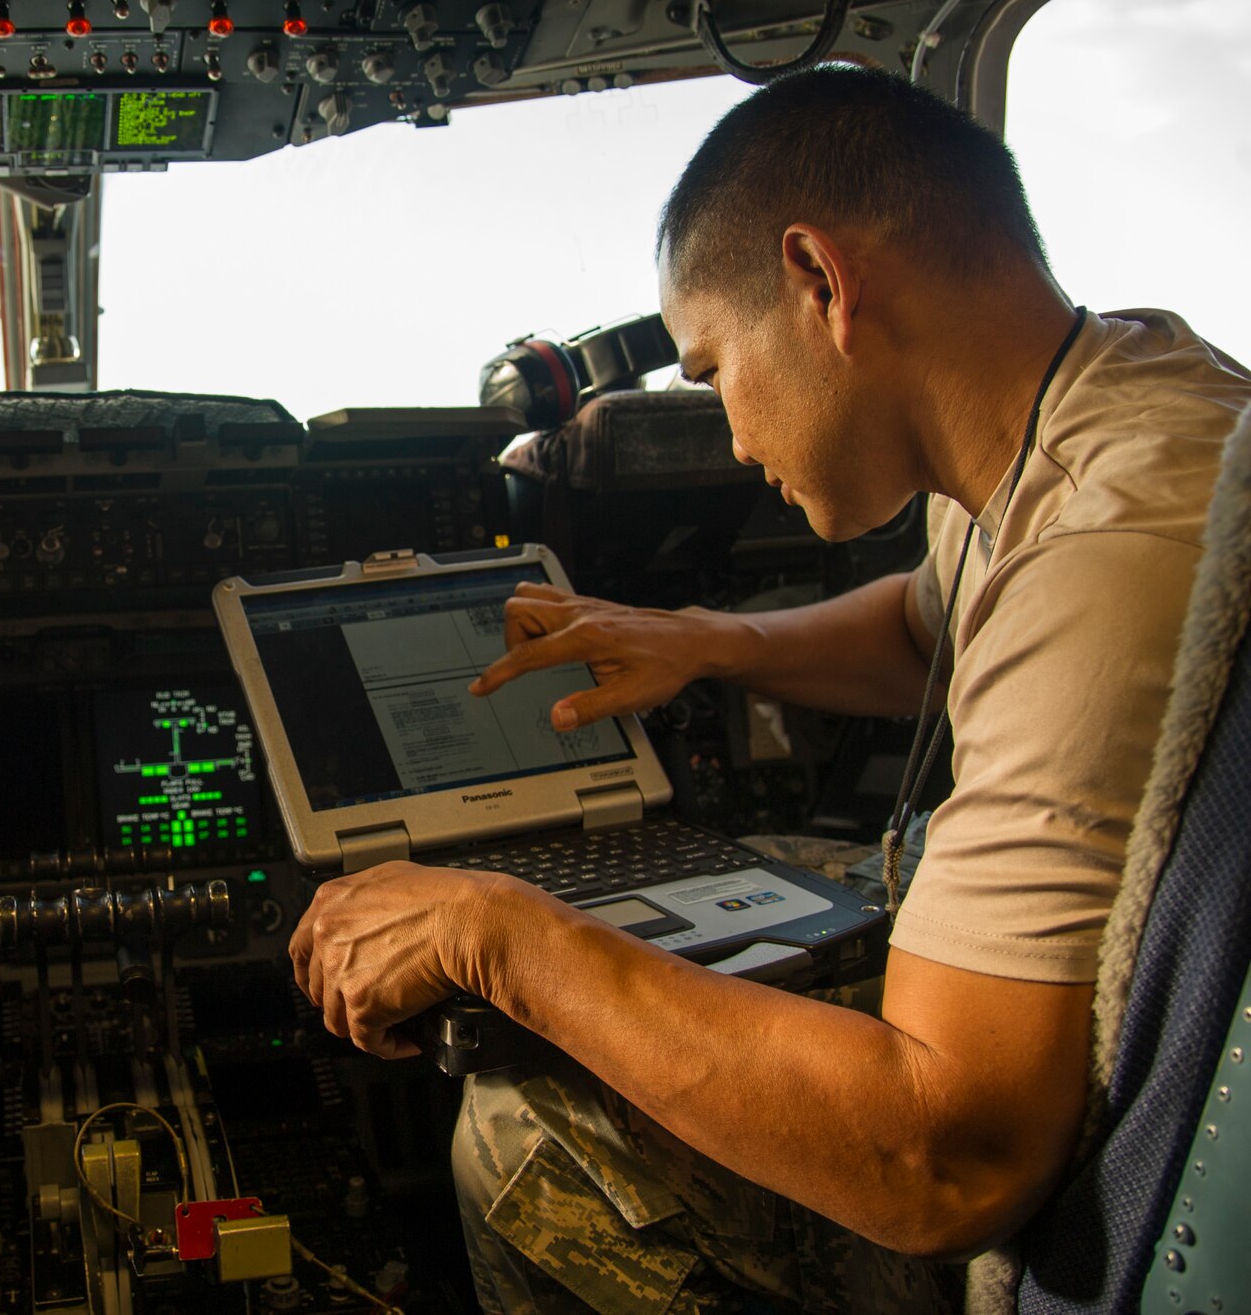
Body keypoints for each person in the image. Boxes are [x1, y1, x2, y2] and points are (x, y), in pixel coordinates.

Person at [287, 65, 1249, 1313]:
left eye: (712, 367)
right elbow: (925, 629)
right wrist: (710, 639)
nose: (732, 436)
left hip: (1056, 1184)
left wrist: (501, 929)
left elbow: (947, 1157)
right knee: (758, 883)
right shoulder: (1118, 392)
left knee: (526, 1135)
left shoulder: (1102, 554)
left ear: (819, 283)